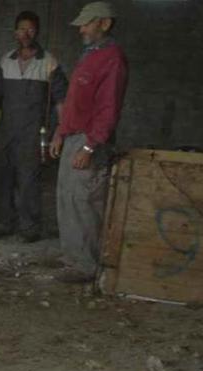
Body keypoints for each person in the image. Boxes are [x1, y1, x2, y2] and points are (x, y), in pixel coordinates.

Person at [51, 1, 128, 283]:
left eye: (86, 23)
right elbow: (76, 103)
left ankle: (86, 266)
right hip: (74, 135)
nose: (81, 29)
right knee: (67, 198)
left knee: (85, 201)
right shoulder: (90, 54)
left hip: (89, 140)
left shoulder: (112, 58)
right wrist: (61, 131)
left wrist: (89, 145)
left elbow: (108, 108)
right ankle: (72, 257)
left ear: (104, 23)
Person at [0, 10, 68, 243]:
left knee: (28, 181)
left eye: (31, 29)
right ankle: (3, 222)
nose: (26, 33)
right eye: (22, 28)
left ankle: (30, 227)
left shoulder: (49, 62)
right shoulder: (7, 60)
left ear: (37, 32)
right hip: (7, 130)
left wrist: (60, 131)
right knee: (2, 178)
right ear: (15, 32)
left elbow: (62, 100)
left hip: (32, 133)